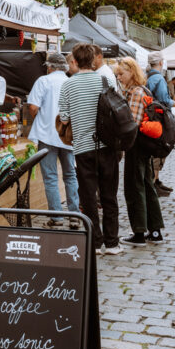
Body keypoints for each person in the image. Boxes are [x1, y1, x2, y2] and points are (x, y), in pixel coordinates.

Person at [58, 43, 121, 255]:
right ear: (94, 60)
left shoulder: (68, 85)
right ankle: (112, 243)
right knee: (109, 195)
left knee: (88, 196)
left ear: (74, 61)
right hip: (107, 145)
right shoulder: (106, 80)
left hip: (83, 147)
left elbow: (64, 118)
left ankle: (95, 242)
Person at [116, 57, 165, 245]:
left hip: (136, 146)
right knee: (147, 186)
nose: (119, 77)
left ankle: (138, 233)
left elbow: (132, 125)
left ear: (132, 72)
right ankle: (154, 232)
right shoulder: (141, 90)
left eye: (122, 74)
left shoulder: (135, 93)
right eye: (117, 74)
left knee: (135, 187)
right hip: (144, 146)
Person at [27, 51, 80, 220]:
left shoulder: (44, 81)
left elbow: (33, 107)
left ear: (50, 67)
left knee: (50, 177)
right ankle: (74, 214)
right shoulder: (71, 82)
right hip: (68, 136)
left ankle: (56, 217)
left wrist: (41, 118)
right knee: (70, 175)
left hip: (47, 134)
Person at [146, 53, 173, 195]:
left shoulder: (149, 76)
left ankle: (156, 181)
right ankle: (154, 181)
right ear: (161, 63)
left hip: (151, 117)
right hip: (158, 118)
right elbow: (165, 101)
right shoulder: (158, 78)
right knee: (160, 147)